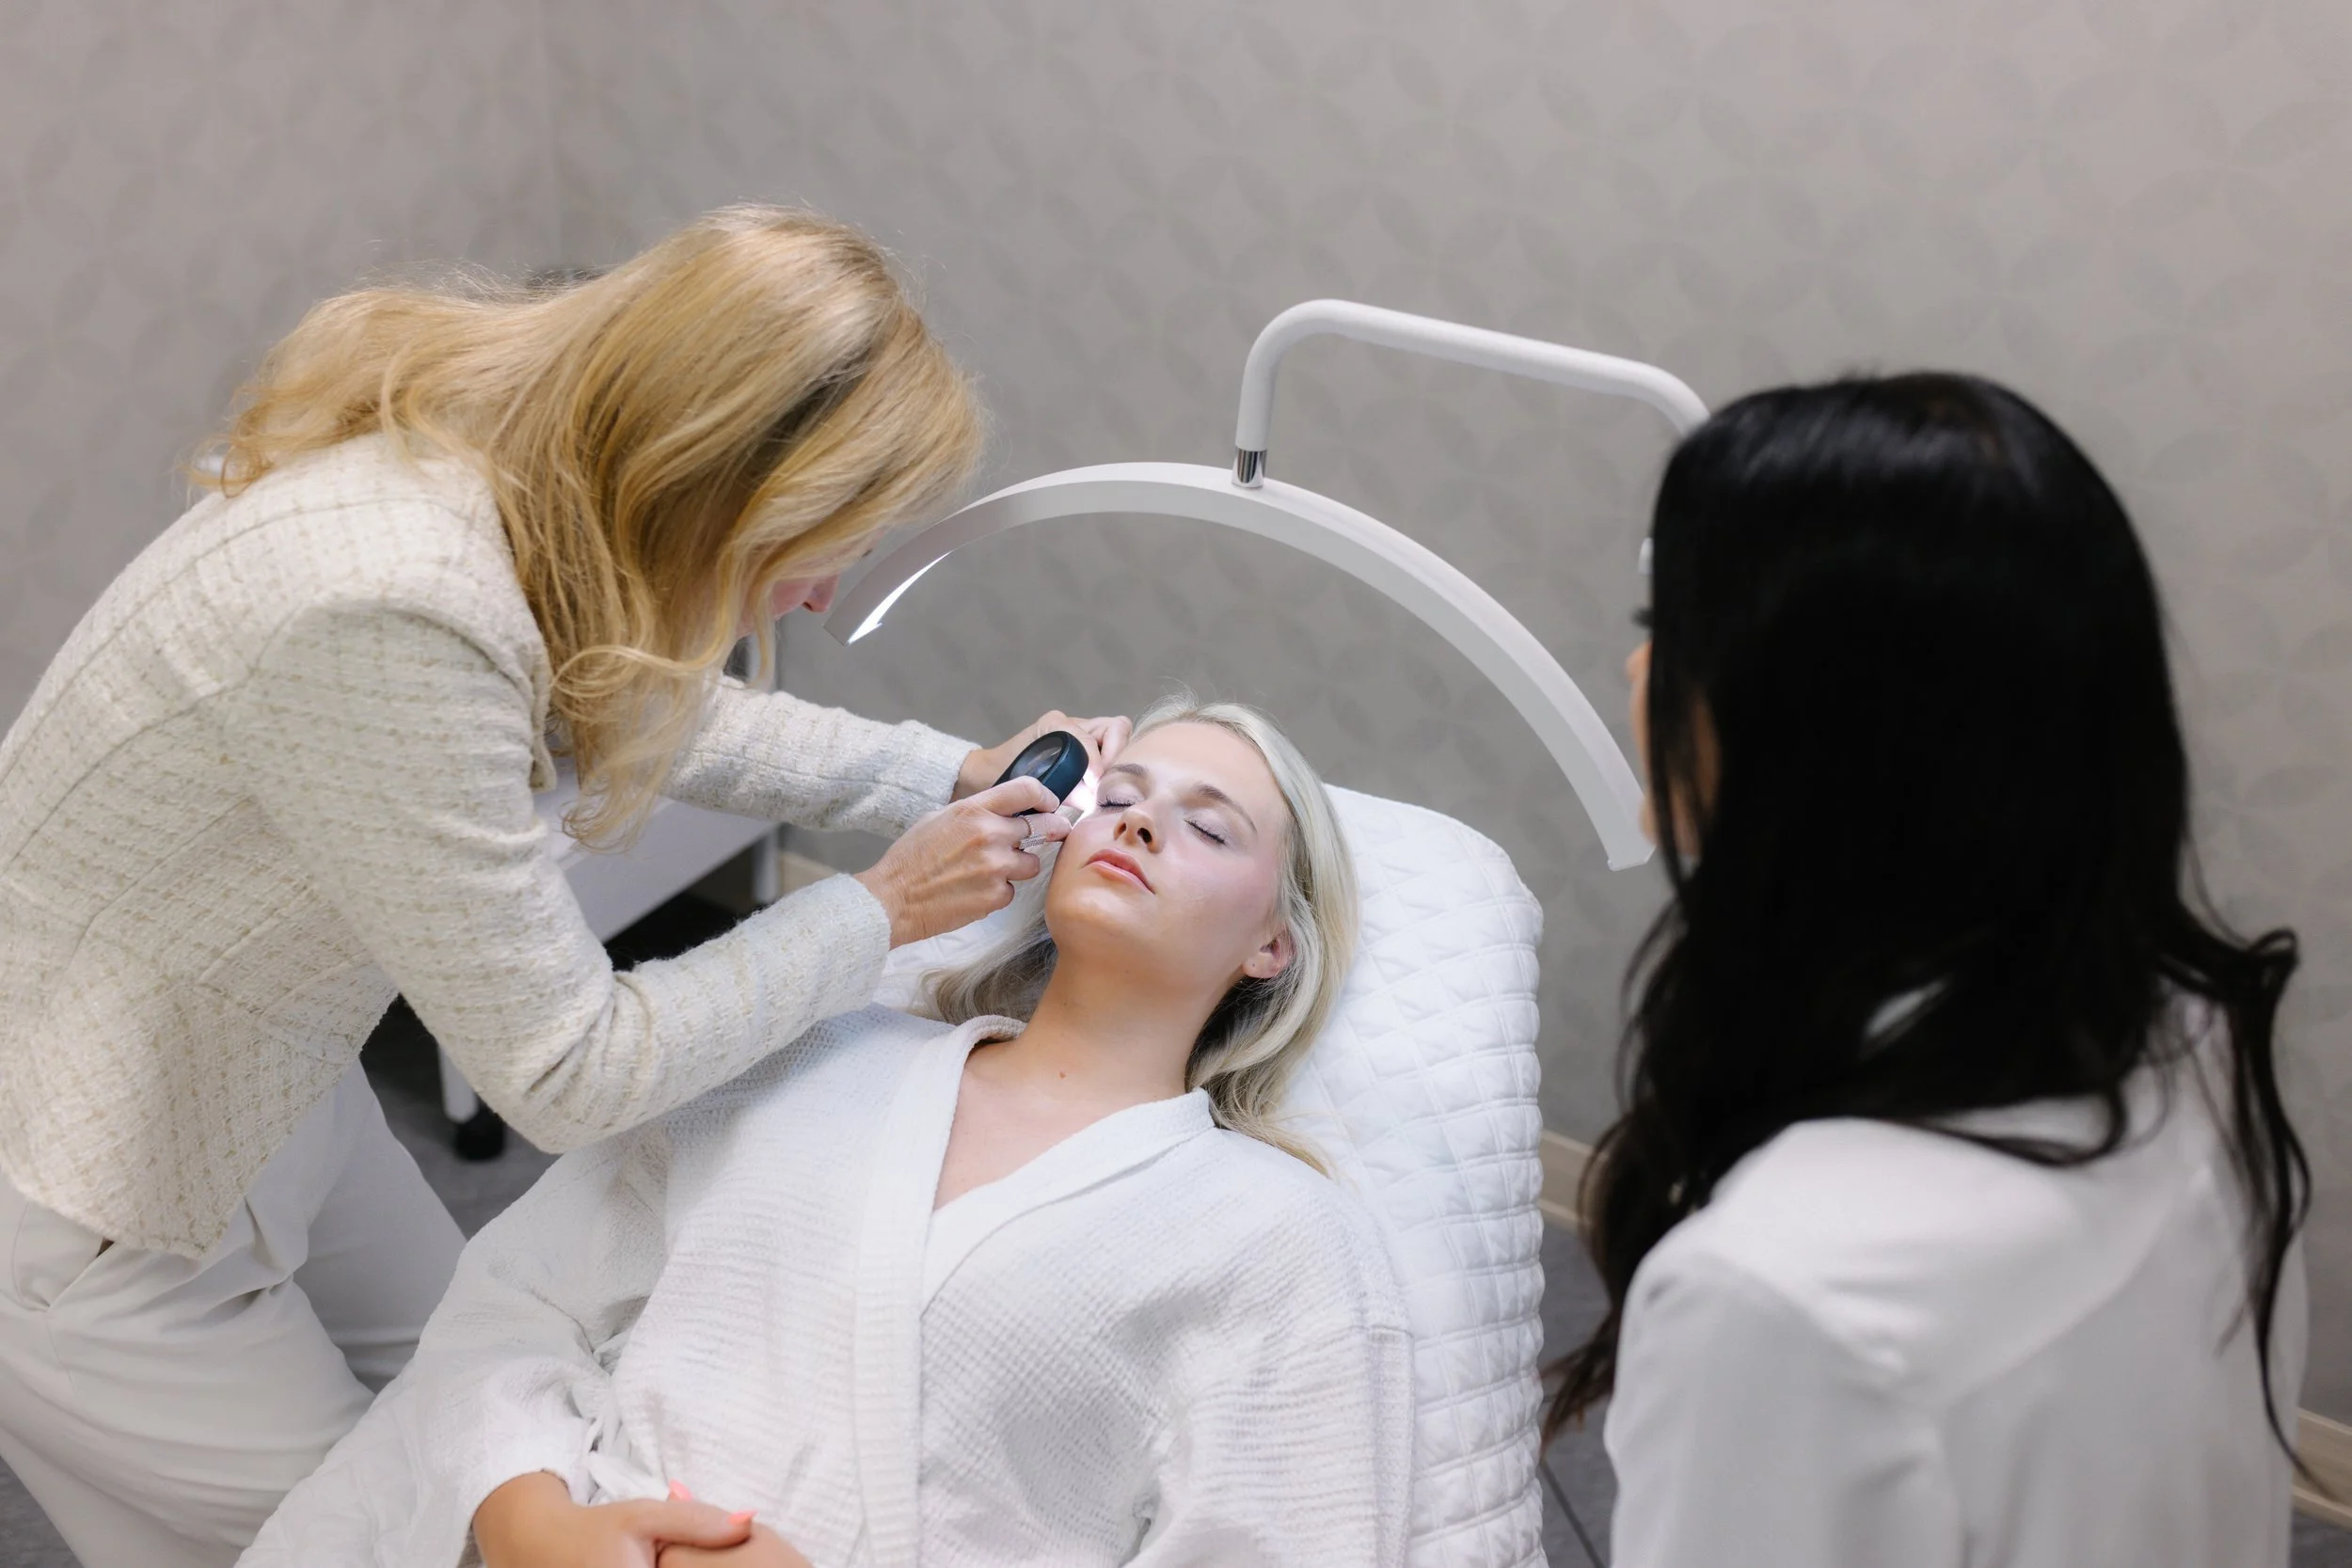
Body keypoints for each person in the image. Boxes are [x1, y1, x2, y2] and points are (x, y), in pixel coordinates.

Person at [0, 204, 1132, 1568]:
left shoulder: (516, 472)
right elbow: (567, 1071)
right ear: (714, 476)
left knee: (498, 1394)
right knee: (394, 1532)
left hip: (260, 1079)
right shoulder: (390, 599)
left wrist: (947, 771)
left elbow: (638, 702)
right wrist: (881, 907)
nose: (825, 595)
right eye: (825, 536)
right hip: (80, 1193)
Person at [238, 695, 1412, 1568]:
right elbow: (516, 1302)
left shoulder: (1279, 1234)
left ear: (1275, 944)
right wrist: (531, 1518)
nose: (1141, 822)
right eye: (1117, 792)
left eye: (1207, 828)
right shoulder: (819, 1049)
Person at [1547, 373, 2309, 1567]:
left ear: (1809, 736)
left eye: (1665, 633)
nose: (1638, 674)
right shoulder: (2183, 1021)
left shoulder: (1785, 1299)